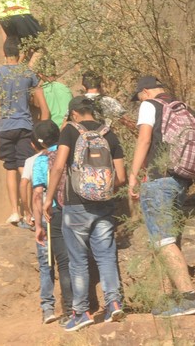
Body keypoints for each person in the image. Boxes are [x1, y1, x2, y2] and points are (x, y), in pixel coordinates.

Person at [127, 76, 195, 317]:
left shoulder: (149, 105)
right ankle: (174, 297)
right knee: (170, 240)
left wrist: (133, 174)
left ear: (145, 92)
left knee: (163, 241)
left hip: (158, 180)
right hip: (181, 181)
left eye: (138, 97)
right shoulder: (185, 109)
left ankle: (189, 298)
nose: (139, 101)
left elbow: (145, 138)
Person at [43, 96, 127, 332]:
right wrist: (100, 187)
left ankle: (81, 312)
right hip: (104, 203)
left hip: (76, 204)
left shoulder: (70, 130)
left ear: (74, 114)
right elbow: (120, 177)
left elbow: (58, 166)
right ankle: (114, 303)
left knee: (78, 261)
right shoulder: (109, 133)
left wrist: (48, 200)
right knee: (106, 256)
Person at [0, 39, 50, 225]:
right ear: (20, 54)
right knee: (26, 168)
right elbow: (43, 106)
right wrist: (42, 127)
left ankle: (15, 211)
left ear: (4, 54)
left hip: (6, 126)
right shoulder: (28, 73)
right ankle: (31, 211)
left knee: (10, 168)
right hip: (25, 125)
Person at [31, 120, 73, 326]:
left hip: (55, 213)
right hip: (78, 209)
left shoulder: (41, 160)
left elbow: (38, 194)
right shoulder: (70, 150)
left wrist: (38, 225)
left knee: (62, 263)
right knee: (80, 260)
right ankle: (85, 304)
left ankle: (68, 309)